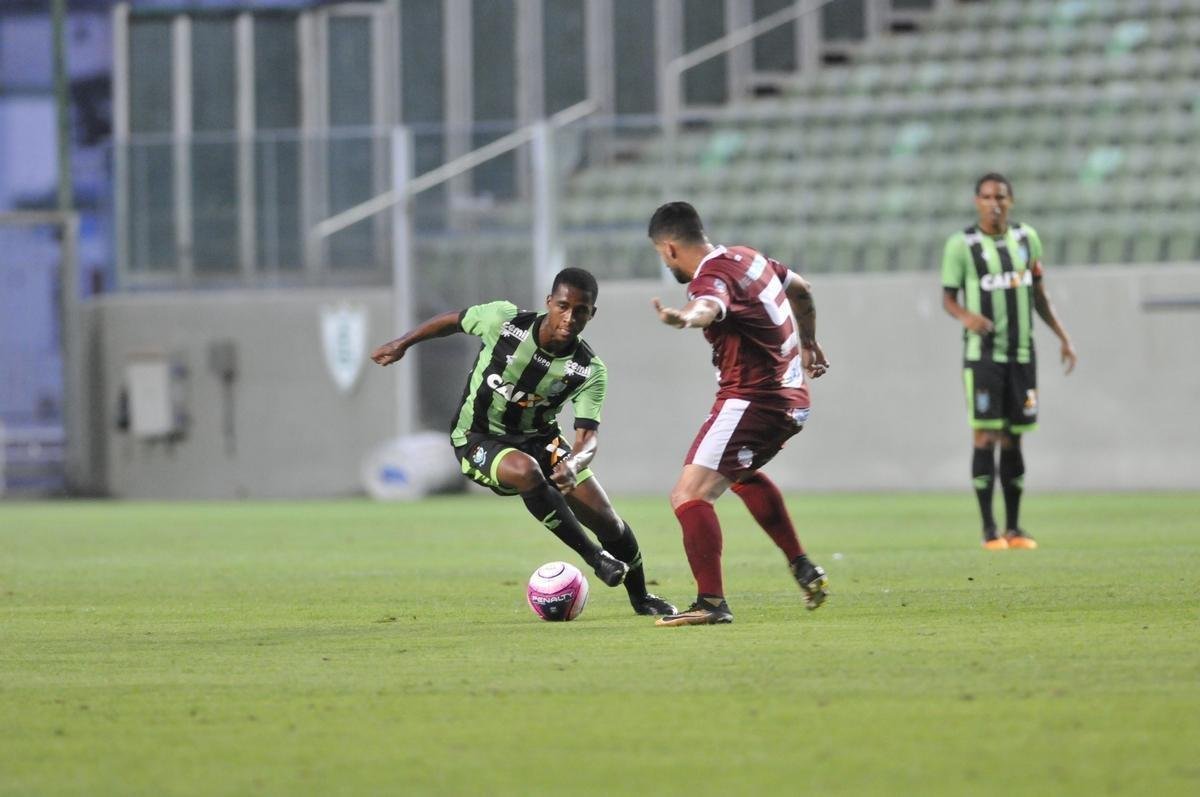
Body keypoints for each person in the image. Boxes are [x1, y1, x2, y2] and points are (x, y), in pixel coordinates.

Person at [370, 267, 676, 616]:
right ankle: (595, 558)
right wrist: (403, 343)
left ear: (592, 314)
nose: (569, 318)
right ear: (549, 302)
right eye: (563, 306)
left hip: (542, 440)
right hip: (478, 438)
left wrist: (573, 463)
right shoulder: (503, 321)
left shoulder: (589, 370)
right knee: (526, 471)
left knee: (606, 519)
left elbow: (588, 438)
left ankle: (641, 597)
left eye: (580, 311)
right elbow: (453, 321)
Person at [646, 201, 830, 627]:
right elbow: (802, 289)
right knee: (740, 475)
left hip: (753, 399)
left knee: (689, 495)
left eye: (662, 255)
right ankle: (802, 565)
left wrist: (686, 317)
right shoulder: (749, 257)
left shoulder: (709, 278)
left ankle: (711, 603)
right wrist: (809, 342)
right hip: (792, 398)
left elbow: (708, 306)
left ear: (669, 248)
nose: (666, 262)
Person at [941, 173, 1077, 550]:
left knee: (1014, 438)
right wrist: (967, 316)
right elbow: (947, 298)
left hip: (1022, 354)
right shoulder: (961, 245)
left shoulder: (1026, 238)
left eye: (1000, 197)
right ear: (977, 202)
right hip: (983, 356)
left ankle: (1014, 529)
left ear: (1010, 201)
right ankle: (989, 530)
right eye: (986, 197)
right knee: (986, 435)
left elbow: (1039, 295)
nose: (994, 204)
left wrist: (1063, 337)